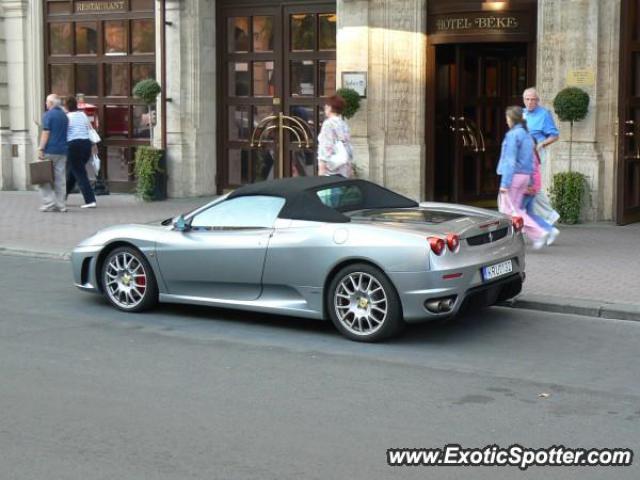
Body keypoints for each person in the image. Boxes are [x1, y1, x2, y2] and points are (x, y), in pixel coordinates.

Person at [497, 106, 548, 249]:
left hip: (514, 176)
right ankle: (514, 239)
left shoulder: (513, 135)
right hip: (525, 176)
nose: (506, 121)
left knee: (509, 211)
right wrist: (531, 181)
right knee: (515, 210)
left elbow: (510, 160)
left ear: (512, 119)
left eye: (507, 118)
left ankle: (538, 232)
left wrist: (505, 183)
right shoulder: (527, 135)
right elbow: (532, 160)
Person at [522, 87, 561, 244]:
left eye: (533, 99)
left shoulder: (544, 114)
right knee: (528, 189)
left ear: (538, 100)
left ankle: (545, 219)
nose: (530, 102)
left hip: (537, 154)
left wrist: (541, 144)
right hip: (523, 155)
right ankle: (546, 220)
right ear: (523, 100)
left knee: (532, 188)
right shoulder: (522, 114)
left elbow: (555, 135)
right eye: (527, 99)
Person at [65, 96, 97, 208]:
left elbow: (64, 132)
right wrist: (93, 145)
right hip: (85, 145)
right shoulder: (83, 115)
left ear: (66, 106)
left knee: (79, 173)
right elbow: (89, 128)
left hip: (73, 145)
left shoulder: (67, 117)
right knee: (72, 173)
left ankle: (90, 200)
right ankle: (61, 198)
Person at [38, 94, 68, 212]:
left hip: (50, 150)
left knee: (43, 177)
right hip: (62, 150)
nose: (46, 104)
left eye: (47, 102)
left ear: (51, 103)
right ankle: (61, 205)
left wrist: (41, 148)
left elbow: (46, 132)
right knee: (60, 178)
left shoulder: (48, 115)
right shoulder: (64, 116)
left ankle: (49, 203)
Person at [317, 95, 354, 178]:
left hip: (331, 169)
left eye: (326, 105)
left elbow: (326, 146)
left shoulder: (328, 124)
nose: (325, 107)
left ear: (330, 107)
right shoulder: (343, 124)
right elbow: (348, 146)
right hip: (343, 167)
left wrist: (321, 167)